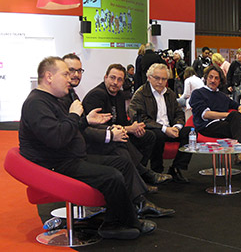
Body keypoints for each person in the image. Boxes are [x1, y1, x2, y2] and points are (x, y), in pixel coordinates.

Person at [19, 56, 159, 240]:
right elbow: (58, 138)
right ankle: (120, 224)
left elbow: (66, 130)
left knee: (121, 163)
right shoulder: (36, 103)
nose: (70, 79)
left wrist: (85, 120)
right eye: (65, 74)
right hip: (56, 164)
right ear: (49, 77)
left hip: (68, 158)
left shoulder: (51, 99)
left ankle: (118, 219)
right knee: (112, 175)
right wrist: (75, 115)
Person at [62, 55, 171, 191]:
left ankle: (139, 177)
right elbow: (91, 126)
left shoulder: (119, 95)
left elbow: (121, 121)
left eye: (119, 79)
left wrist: (131, 128)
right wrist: (123, 130)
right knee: (121, 141)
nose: (115, 82)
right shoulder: (96, 95)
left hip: (106, 133)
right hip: (94, 139)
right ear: (105, 77)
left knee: (147, 136)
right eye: (112, 78)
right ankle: (142, 177)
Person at [189, 64, 241, 179]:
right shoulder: (198, 93)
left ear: (220, 81)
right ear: (206, 78)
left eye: (216, 78)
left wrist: (239, 112)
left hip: (225, 126)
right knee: (240, 124)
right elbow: (206, 114)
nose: (213, 80)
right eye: (210, 77)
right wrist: (230, 115)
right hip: (207, 126)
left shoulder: (222, 96)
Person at [129, 63, 193, 183]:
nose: (160, 82)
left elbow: (179, 113)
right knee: (156, 134)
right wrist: (164, 129)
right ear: (149, 78)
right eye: (157, 78)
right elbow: (140, 118)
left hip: (171, 128)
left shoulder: (170, 94)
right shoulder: (140, 94)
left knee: (190, 132)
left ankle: (176, 168)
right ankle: (157, 170)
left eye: (164, 79)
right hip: (154, 129)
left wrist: (177, 127)